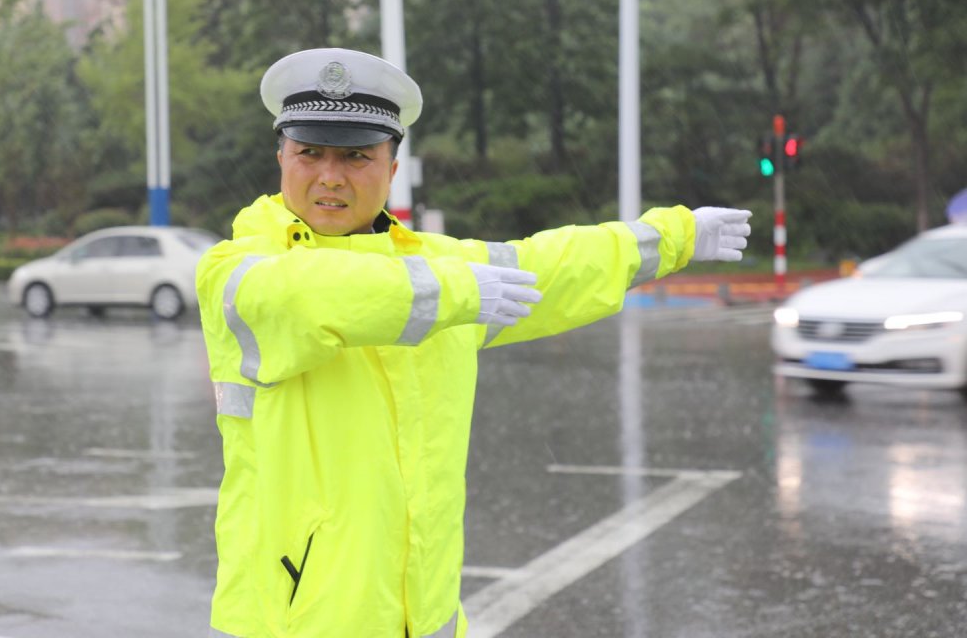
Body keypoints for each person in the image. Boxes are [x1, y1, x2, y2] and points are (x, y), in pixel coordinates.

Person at [195, 48, 751, 638]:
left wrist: (672, 236)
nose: (330, 175)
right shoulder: (237, 269)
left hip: (428, 617)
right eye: (309, 153)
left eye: (357, 156)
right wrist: (451, 291)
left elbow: (550, 266)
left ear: (392, 165)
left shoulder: (442, 271)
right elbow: (305, 295)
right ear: (281, 154)